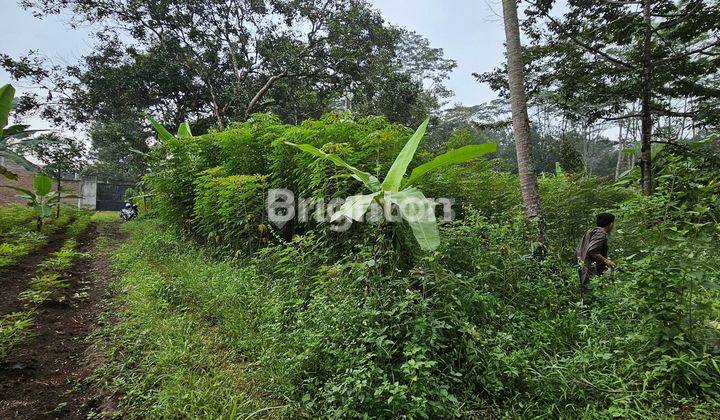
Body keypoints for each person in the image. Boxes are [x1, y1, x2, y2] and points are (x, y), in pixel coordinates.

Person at [576, 212, 616, 300]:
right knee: (590, 291)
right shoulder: (600, 234)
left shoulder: (591, 231)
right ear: (611, 224)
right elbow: (592, 250)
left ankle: (587, 309)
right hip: (589, 267)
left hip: (584, 264)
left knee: (586, 289)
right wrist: (606, 261)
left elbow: (579, 249)